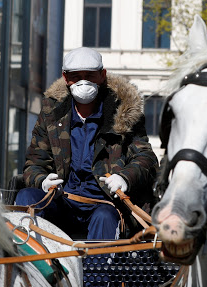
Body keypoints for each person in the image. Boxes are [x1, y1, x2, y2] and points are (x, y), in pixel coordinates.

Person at [15, 47, 158, 240]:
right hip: (61, 201)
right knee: (27, 197)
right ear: (66, 78)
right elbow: (34, 164)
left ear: (102, 75)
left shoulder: (123, 114)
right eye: (76, 76)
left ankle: (95, 271)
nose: (83, 82)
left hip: (105, 204)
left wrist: (125, 178)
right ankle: (35, 266)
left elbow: (146, 158)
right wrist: (42, 181)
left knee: (104, 217)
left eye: (90, 75)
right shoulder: (51, 113)